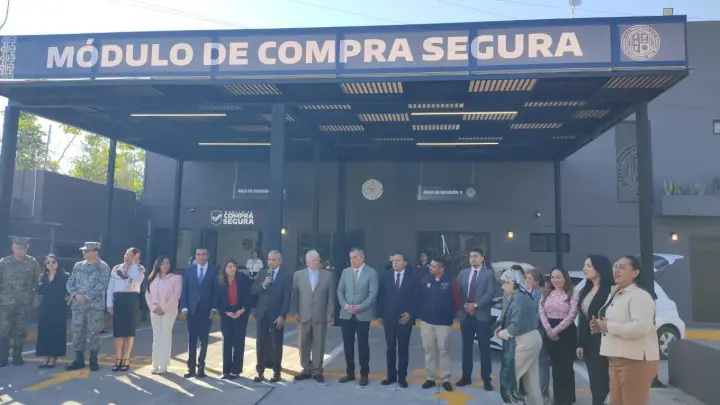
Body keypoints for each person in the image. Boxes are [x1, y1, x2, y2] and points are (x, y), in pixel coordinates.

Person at [592, 256, 659, 405]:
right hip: (616, 359)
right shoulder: (615, 293)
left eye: (622, 267)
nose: (617, 270)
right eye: (616, 266)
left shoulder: (639, 295)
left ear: (635, 273)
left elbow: (641, 327)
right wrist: (601, 326)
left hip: (635, 361)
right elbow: (618, 322)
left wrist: (608, 326)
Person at [496, 270, 543, 405]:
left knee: (510, 379)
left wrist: (501, 333)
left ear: (512, 283)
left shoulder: (518, 298)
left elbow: (515, 328)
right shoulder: (524, 295)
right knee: (531, 383)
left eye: (504, 283)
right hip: (532, 338)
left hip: (524, 341)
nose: (502, 287)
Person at [419, 256, 463, 392]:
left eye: (433, 266)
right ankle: (430, 377)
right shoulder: (425, 280)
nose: (430, 268)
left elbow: (457, 300)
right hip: (427, 321)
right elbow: (420, 297)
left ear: (441, 269)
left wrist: (448, 312)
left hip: (444, 323)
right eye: (430, 265)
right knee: (429, 349)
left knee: (444, 350)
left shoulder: (452, 282)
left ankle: (445, 379)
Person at [66, 242, 111, 371]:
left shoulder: (102, 267)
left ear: (95, 252)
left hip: (94, 307)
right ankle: (79, 359)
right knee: (77, 332)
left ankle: (93, 360)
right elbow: (70, 282)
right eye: (83, 250)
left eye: (87, 251)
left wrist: (86, 297)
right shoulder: (78, 265)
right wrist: (75, 295)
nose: (84, 252)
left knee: (94, 333)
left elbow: (102, 285)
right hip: (78, 306)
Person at [291, 250, 335, 383]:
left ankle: (317, 370)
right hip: (303, 314)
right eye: (313, 261)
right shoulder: (298, 275)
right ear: (307, 262)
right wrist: (295, 311)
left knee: (319, 344)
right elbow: (295, 295)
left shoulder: (328, 275)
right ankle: (306, 369)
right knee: (303, 343)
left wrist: (330, 313)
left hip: (320, 315)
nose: (316, 263)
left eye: (317, 260)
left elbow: (331, 296)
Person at [337, 248, 379, 386]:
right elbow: (340, 290)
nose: (352, 260)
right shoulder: (346, 272)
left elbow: (372, 294)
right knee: (348, 345)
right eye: (351, 258)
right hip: (346, 314)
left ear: (362, 258)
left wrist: (360, 307)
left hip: (363, 315)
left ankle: (364, 374)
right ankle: (350, 373)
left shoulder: (371, 273)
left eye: (355, 257)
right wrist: (345, 305)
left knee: (363, 345)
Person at [377, 252, 418, 388]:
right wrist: (380, 314)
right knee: (390, 348)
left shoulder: (413, 277)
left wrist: (410, 314)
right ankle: (391, 376)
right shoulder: (386, 277)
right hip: (389, 318)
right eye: (393, 260)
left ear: (405, 262)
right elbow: (381, 296)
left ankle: (402, 377)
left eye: (398, 260)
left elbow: (417, 297)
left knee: (403, 349)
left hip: (404, 319)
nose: (395, 262)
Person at [456, 248, 496, 390]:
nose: (473, 259)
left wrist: (476, 305)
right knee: (466, 348)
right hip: (465, 315)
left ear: (482, 258)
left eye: (476, 256)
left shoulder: (488, 274)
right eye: (471, 256)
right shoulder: (463, 273)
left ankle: (486, 379)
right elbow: (457, 292)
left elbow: (490, 293)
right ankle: (466, 377)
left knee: (484, 349)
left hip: (482, 316)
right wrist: (465, 305)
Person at [576, 255, 613, 405]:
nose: (584, 268)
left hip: (606, 340)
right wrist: (581, 343)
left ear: (599, 268)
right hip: (591, 342)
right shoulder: (586, 289)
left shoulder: (610, 289)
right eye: (584, 265)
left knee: (604, 382)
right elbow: (583, 319)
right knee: (595, 382)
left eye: (588, 265)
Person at [0, 237, 43, 367]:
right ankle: (2, 357)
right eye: (18, 248)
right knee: (4, 330)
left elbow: (39, 281)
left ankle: (17, 356)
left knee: (21, 330)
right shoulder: (4, 262)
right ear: (13, 248)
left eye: (24, 248)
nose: (21, 250)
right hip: (6, 303)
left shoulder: (32, 262)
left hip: (24, 303)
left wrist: (36, 296)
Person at [539, 267, 578, 405]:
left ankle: (567, 399)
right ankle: (558, 398)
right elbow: (541, 312)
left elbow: (572, 315)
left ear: (565, 278)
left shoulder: (572, 293)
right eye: (552, 277)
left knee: (566, 366)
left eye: (558, 277)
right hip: (549, 330)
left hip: (566, 332)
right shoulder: (546, 293)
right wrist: (548, 329)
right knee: (555, 367)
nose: (555, 280)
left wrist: (556, 330)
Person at [251, 250, 292, 383]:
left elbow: (286, 298)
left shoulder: (286, 276)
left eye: (274, 260)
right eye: (269, 259)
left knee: (276, 343)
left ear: (280, 261)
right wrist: (263, 284)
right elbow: (253, 290)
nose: (271, 262)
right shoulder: (263, 273)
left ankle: (277, 372)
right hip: (262, 314)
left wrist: (282, 315)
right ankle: (260, 372)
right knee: (261, 343)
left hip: (276, 315)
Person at [180, 247, 218, 378]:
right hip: (192, 311)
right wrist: (184, 308)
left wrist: (214, 309)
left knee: (204, 340)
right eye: (198, 254)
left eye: (203, 254)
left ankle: (201, 367)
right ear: (195, 256)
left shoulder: (214, 270)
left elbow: (216, 292)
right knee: (192, 340)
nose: (201, 257)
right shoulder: (189, 270)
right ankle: (190, 368)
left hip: (206, 311)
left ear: (208, 256)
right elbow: (184, 291)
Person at [107, 247, 145, 372]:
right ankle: (117, 358)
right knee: (118, 331)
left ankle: (126, 358)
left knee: (129, 331)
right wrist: (109, 303)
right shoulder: (117, 268)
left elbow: (136, 281)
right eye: (126, 254)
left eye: (131, 256)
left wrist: (134, 265)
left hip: (131, 299)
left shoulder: (140, 269)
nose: (127, 257)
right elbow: (110, 287)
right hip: (118, 300)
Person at [214, 259, 253, 379]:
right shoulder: (219, 280)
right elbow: (217, 299)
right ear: (225, 269)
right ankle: (226, 371)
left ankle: (236, 370)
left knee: (238, 342)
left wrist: (242, 310)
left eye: (234, 266)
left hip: (241, 312)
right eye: (230, 267)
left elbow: (250, 296)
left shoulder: (243, 279)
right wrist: (226, 312)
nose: (232, 269)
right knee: (227, 341)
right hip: (226, 313)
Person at [145, 255, 182, 374]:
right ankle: (155, 364)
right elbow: (147, 294)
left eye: (167, 263)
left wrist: (164, 309)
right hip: (155, 311)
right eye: (163, 263)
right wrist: (154, 308)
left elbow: (176, 295)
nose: (165, 265)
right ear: (158, 265)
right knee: (157, 336)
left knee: (165, 335)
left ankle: (163, 365)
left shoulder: (176, 278)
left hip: (169, 310)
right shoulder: (152, 277)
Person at [35, 254, 71, 368]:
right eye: (48, 262)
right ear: (45, 265)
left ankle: (54, 356)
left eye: (53, 262)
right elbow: (39, 292)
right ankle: (45, 356)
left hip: (59, 308)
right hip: (45, 307)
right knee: (44, 331)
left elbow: (70, 293)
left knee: (56, 332)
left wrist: (66, 304)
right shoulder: (42, 277)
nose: (51, 264)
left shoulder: (65, 276)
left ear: (58, 263)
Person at [524, 268, 550, 403]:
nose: (526, 281)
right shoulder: (528, 292)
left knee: (542, 364)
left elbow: (540, 314)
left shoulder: (542, 294)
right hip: (529, 332)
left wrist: (528, 324)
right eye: (526, 278)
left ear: (537, 281)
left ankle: (543, 392)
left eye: (529, 278)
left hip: (539, 332)